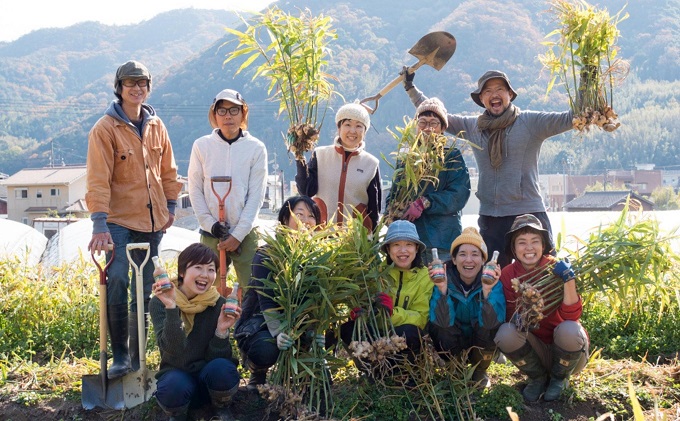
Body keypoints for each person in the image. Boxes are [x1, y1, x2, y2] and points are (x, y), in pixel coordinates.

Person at [404, 69, 573, 267]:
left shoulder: (530, 122)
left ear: (510, 94)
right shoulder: (474, 126)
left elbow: (569, 118)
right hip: (491, 218)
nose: (494, 94)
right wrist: (410, 88)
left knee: (543, 272)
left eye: (500, 89)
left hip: (528, 212)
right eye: (487, 91)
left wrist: (589, 79)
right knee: (493, 278)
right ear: (481, 99)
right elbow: (436, 115)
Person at [85, 60, 181, 379]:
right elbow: (98, 179)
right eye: (130, 84)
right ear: (119, 88)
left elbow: (168, 170)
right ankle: (121, 357)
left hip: (152, 222)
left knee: (144, 288)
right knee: (119, 281)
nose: (137, 88)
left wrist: (170, 206)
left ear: (148, 88)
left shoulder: (157, 125)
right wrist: (99, 224)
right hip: (117, 221)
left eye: (142, 83)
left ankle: (139, 356)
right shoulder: (104, 129)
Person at [494, 214, 589, 402]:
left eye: (534, 241)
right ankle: (537, 378)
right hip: (535, 352)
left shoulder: (555, 268)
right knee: (505, 333)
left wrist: (568, 279)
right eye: (522, 242)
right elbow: (506, 317)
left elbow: (572, 315)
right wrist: (524, 313)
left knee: (570, 329)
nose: (529, 248)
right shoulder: (507, 274)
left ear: (543, 245)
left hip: (567, 351)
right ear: (513, 248)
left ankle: (559, 379)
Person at [234, 195, 323, 391]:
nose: (305, 221)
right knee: (266, 348)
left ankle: (307, 368)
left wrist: (317, 331)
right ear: (285, 219)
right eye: (299, 214)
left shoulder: (316, 258)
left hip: (298, 323)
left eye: (311, 216)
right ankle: (257, 372)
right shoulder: (266, 254)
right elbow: (266, 302)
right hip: (261, 323)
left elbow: (318, 301)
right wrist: (279, 332)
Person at [150, 243, 241, 420]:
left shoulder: (219, 304)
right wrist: (171, 307)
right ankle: (177, 415)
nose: (204, 275)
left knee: (223, 368)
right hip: (178, 379)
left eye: (210, 269)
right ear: (182, 272)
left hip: (208, 383)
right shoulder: (161, 301)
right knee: (173, 385)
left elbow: (220, 360)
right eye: (198, 267)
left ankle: (221, 409)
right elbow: (173, 351)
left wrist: (221, 330)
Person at [188, 88, 267, 288]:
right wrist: (210, 224)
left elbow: (256, 196)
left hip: (245, 233)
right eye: (221, 111)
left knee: (253, 289)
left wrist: (237, 235)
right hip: (211, 232)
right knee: (208, 291)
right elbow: (195, 189)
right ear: (214, 115)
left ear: (243, 113)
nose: (227, 116)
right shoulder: (201, 146)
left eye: (233, 110)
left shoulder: (256, 148)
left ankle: (246, 320)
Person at [386, 97, 471, 264]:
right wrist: (390, 211)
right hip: (410, 239)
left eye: (433, 123)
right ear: (416, 126)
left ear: (443, 128)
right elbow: (395, 191)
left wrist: (426, 202)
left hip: (441, 239)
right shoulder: (406, 157)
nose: (427, 128)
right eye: (423, 122)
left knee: (440, 286)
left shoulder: (451, 156)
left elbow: (459, 195)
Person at [341, 220, 433, 369]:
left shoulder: (426, 277)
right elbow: (366, 305)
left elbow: (421, 318)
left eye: (408, 245)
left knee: (411, 332)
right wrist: (361, 313)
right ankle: (372, 370)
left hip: (401, 338)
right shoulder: (376, 273)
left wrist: (391, 313)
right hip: (377, 335)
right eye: (396, 245)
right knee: (347, 328)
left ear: (416, 248)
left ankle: (404, 370)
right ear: (388, 249)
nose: (403, 250)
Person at [427, 227, 505, 387]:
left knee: (491, 329)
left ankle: (479, 370)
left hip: (479, 339)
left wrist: (486, 291)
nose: (468, 260)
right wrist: (442, 290)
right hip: (454, 339)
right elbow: (440, 322)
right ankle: (454, 367)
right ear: (454, 260)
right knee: (440, 327)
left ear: (483, 260)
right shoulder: (442, 279)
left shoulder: (493, 283)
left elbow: (493, 323)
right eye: (462, 254)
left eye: (475, 254)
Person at [296, 102, 381, 231]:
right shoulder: (320, 155)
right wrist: (299, 158)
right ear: (339, 128)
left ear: (365, 131)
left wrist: (373, 240)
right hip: (322, 237)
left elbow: (375, 208)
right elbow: (306, 191)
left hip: (355, 240)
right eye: (347, 125)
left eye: (359, 126)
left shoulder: (371, 163)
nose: (353, 131)